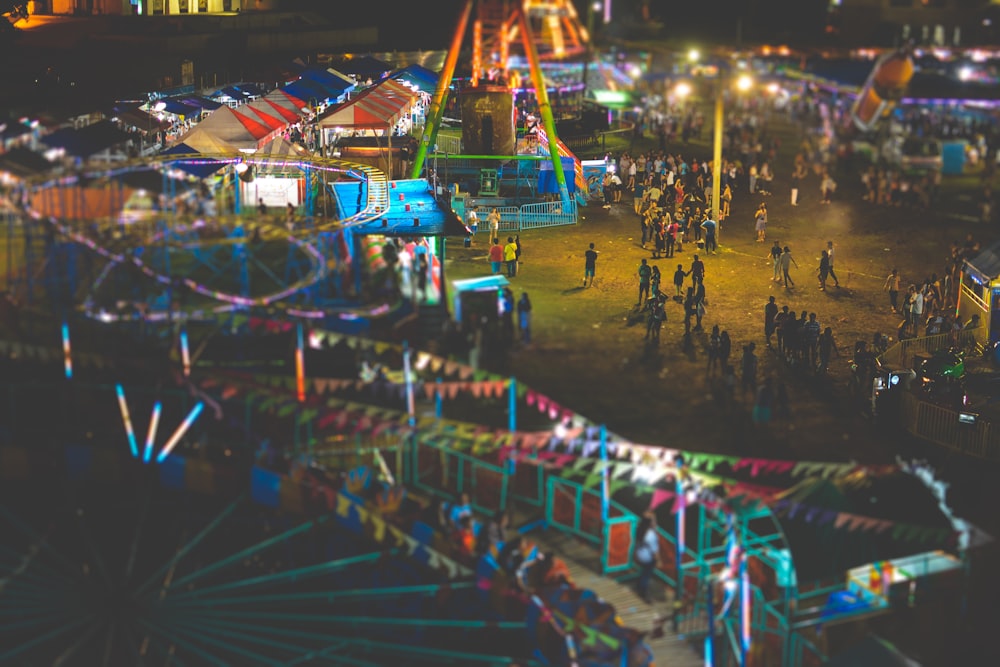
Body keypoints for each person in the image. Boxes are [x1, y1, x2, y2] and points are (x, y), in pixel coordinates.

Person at [634, 512, 660, 602]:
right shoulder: (651, 535)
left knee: (643, 571)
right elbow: (655, 552)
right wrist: (658, 561)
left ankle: (638, 585)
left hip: (639, 554)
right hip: (647, 558)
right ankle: (643, 592)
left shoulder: (640, 529)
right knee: (647, 574)